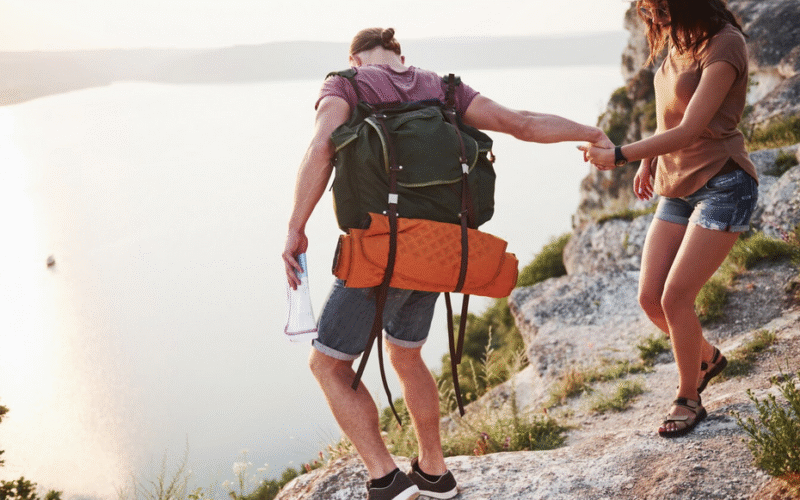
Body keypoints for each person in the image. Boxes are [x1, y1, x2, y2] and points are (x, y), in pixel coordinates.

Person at [283, 27, 612, 500]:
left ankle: (384, 477)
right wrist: (591, 132)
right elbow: (521, 123)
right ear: (400, 56)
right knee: (407, 353)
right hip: (441, 252)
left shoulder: (346, 85)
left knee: (328, 365)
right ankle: (434, 471)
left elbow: (321, 147)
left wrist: (296, 226)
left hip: (381, 250)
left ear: (355, 59)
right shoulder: (442, 88)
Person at [579, 0, 758, 438]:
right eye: (649, 12)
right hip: (677, 185)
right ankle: (709, 357)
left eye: (662, 9)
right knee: (649, 297)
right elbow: (668, 116)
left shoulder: (725, 44)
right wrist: (649, 161)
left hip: (724, 183)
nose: (656, 20)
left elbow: (693, 127)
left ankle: (689, 396)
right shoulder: (679, 40)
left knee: (676, 297)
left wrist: (622, 155)